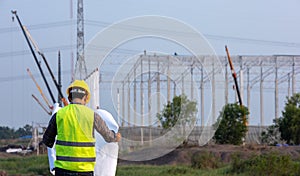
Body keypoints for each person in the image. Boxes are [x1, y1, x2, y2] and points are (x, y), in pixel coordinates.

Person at [43, 80, 121, 175]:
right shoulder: (92, 116)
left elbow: (47, 141)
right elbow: (108, 136)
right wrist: (116, 136)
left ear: (69, 98)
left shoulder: (59, 115)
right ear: (86, 98)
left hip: (63, 170)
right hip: (85, 171)